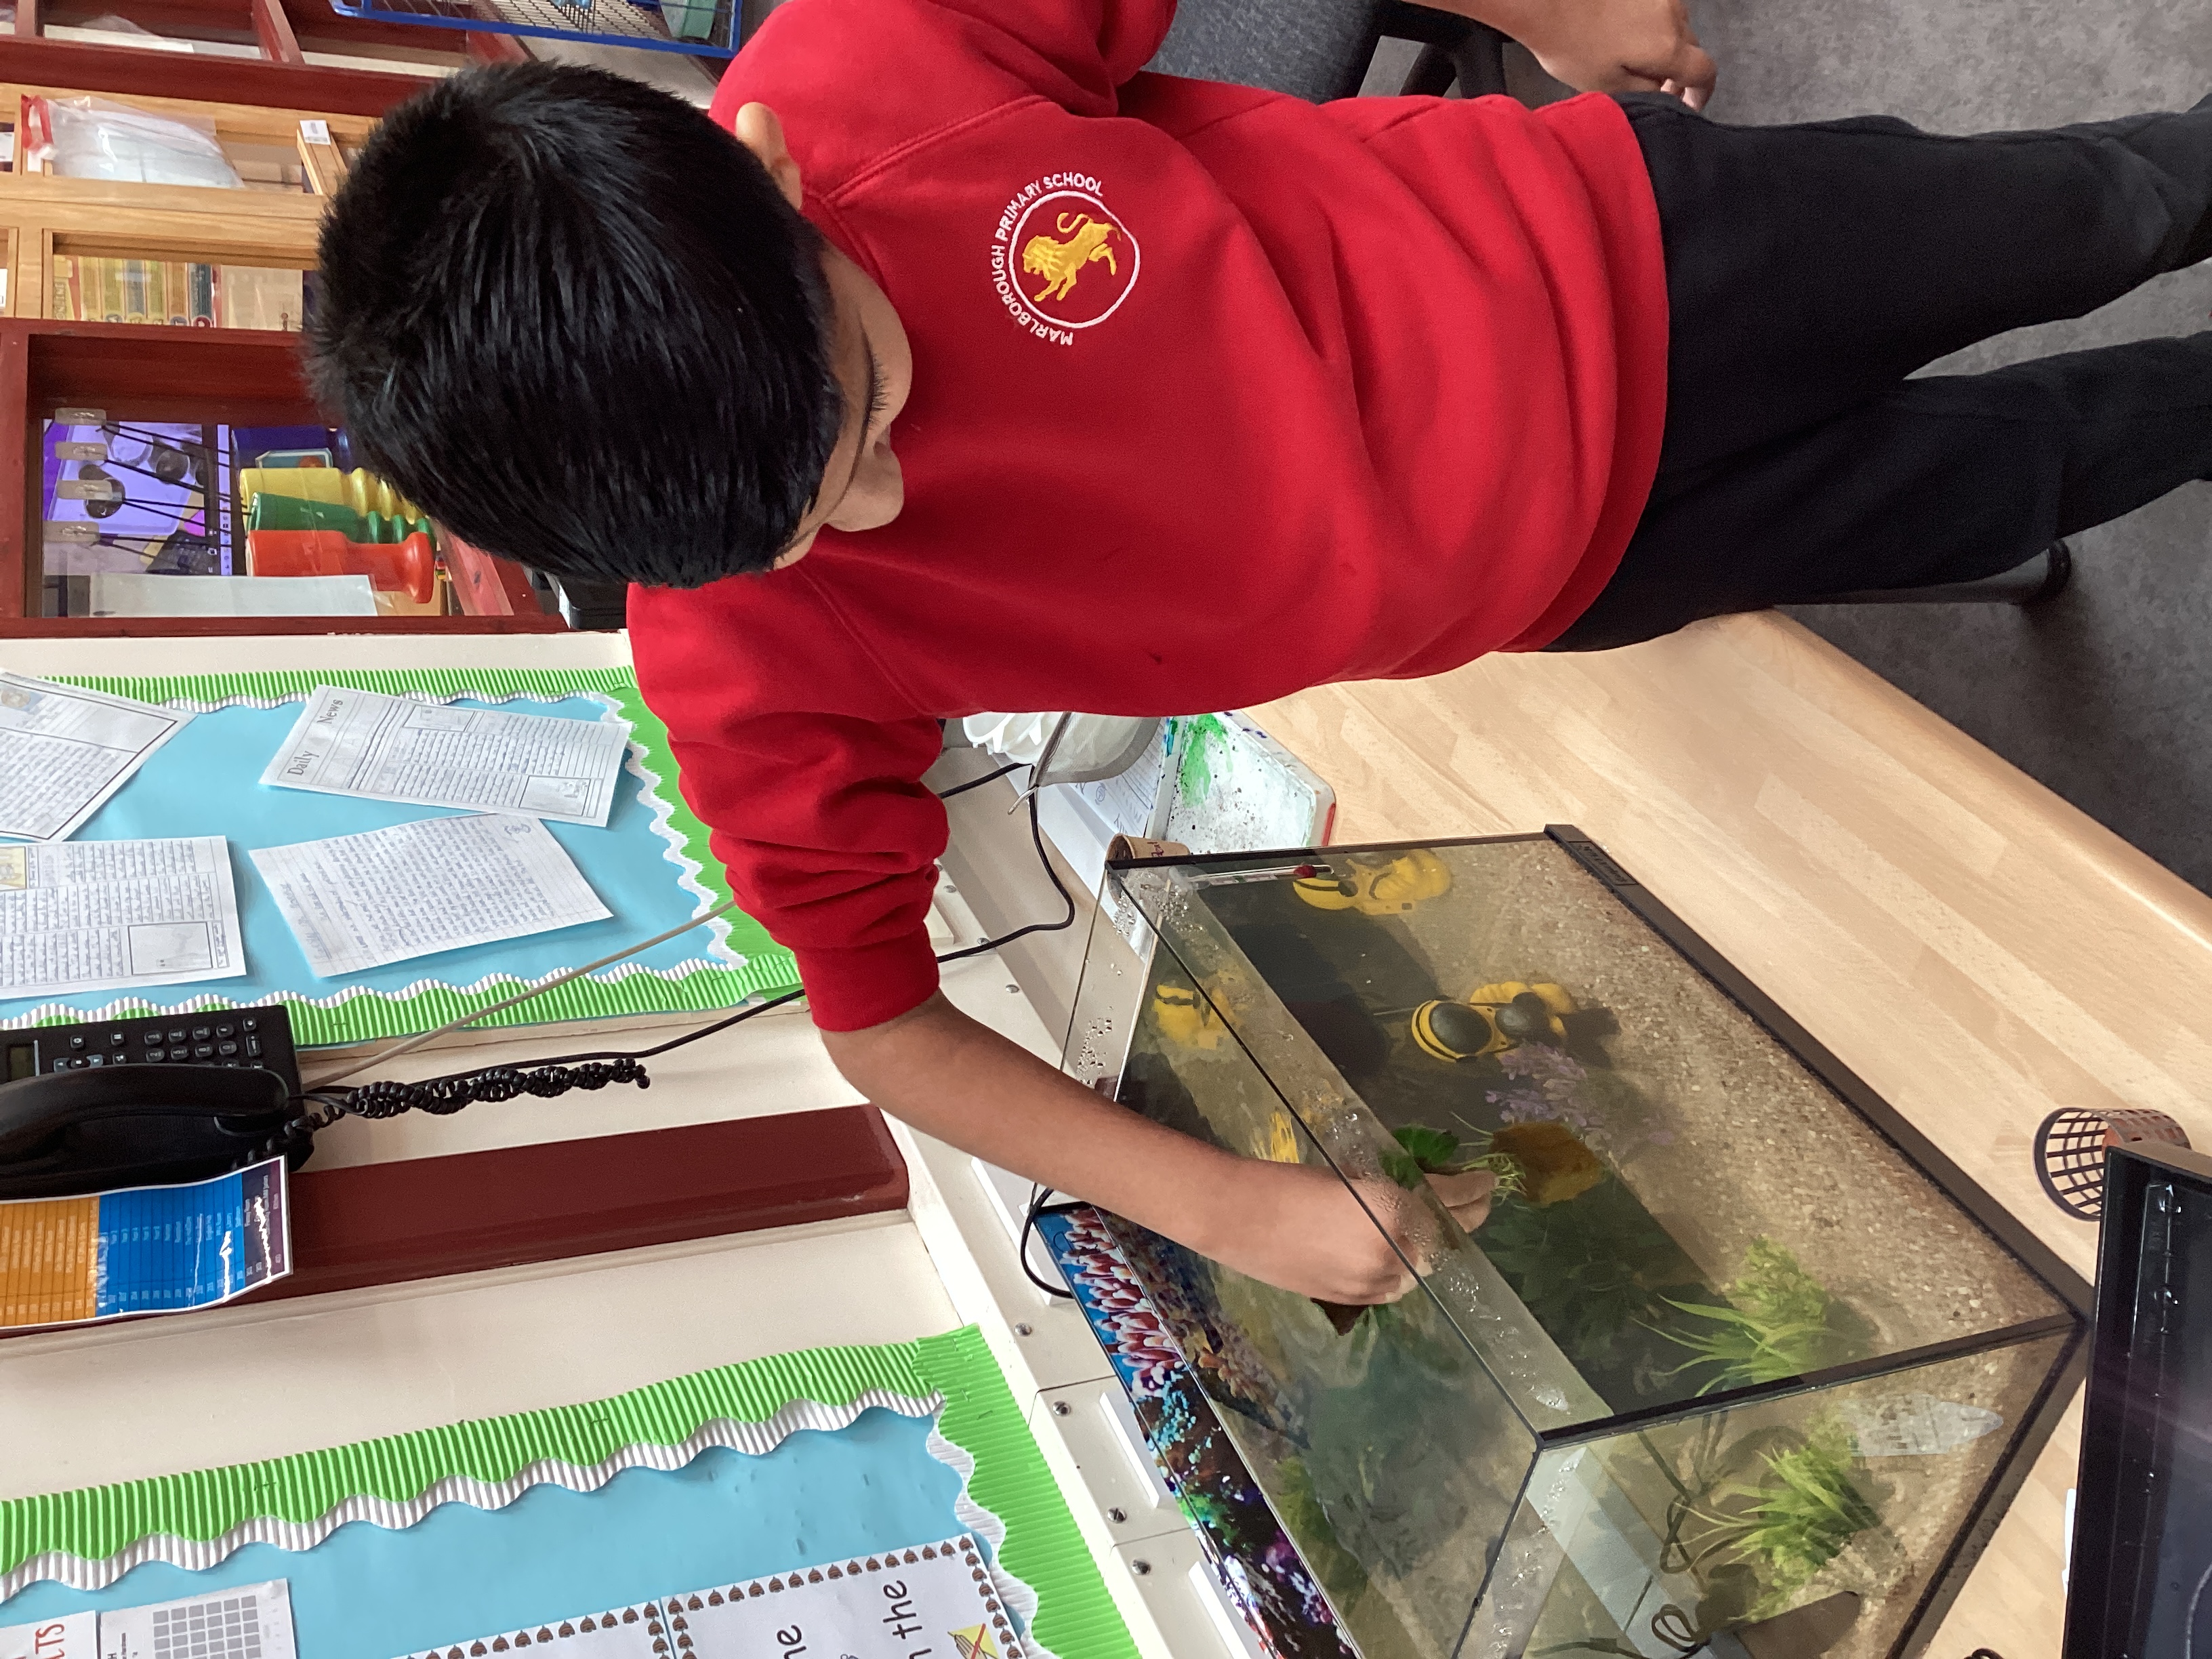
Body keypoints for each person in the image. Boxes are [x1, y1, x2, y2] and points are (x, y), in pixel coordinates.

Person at [306, 0, 2212, 1310]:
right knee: (2015, 474)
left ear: (780, 175)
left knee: (2094, 206)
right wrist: (1229, 1209)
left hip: (1627, 242)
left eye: (867, 403)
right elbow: (879, 1026)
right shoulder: (735, 661)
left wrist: (1538, 11)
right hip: (1581, 560)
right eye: (805, 534)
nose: (879, 503)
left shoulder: (878, 60)